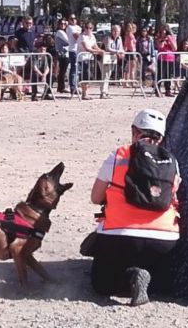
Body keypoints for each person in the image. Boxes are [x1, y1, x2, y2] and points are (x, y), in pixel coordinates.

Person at [89, 109, 180, 306]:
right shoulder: (173, 161)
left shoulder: (118, 155)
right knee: (161, 283)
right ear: (162, 138)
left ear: (134, 131)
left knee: (101, 284)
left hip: (119, 234)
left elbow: (96, 198)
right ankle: (148, 278)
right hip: (164, 238)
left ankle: (131, 275)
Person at [76, 21, 104, 100]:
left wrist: (102, 51)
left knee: (89, 76)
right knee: (85, 76)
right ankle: (84, 93)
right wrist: (99, 52)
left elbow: (95, 46)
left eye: (90, 28)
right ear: (84, 28)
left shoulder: (92, 36)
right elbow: (87, 48)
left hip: (90, 58)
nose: (88, 30)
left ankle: (86, 93)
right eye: (87, 28)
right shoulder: (82, 36)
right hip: (82, 59)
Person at [100, 24, 124, 98]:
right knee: (105, 74)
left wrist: (121, 52)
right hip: (103, 58)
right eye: (115, 31)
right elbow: (107, 48)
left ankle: (106, 91)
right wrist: (117, 51)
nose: (116, 32)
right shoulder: (108, 37)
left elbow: (121, 47)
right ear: (112, 31)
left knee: (108, 74)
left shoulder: (119, 38)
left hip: (111, 58)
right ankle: (103, 92)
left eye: (118, 31)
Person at [66, 14, 82, 95]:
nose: (73, 20)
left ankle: (76, 85)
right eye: (71, 18)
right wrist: (83, 37)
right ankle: (72, 87)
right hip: (73, 50)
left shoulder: (78, 27)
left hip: (79, 50)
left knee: (78, 69)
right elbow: (77, 37)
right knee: (73, 69)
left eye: (75, 18)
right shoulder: (69, 28)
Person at [54, 19, 70, 93]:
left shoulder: (63, 32)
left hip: (64, 53)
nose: (63, 25)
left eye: (64, 24)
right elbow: (68, 40)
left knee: (62, 71)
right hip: (62, 53)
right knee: (62, 71)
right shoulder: (60, 32)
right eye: (61, 24)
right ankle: (61, 87)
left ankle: (61, 86)